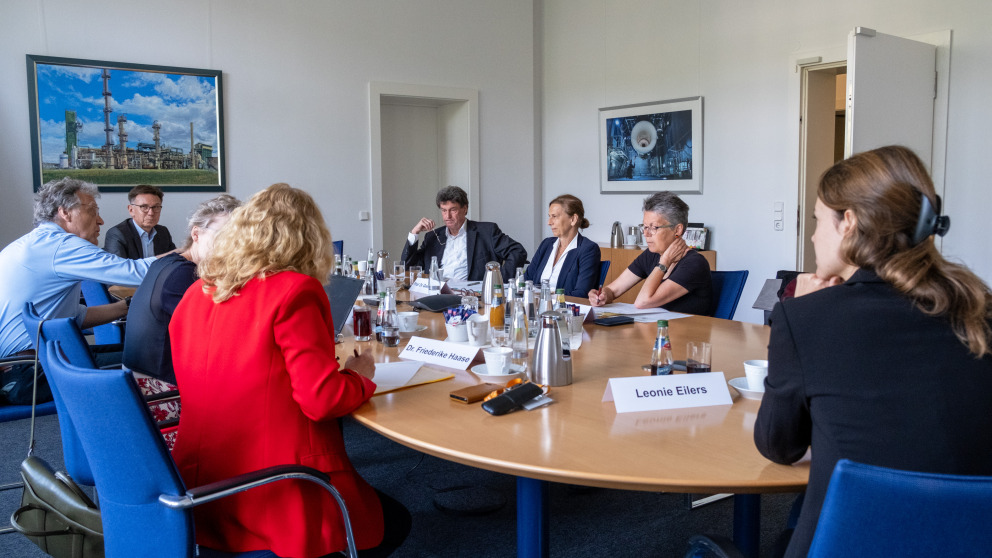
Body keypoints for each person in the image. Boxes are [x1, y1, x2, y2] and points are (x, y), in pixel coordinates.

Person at [753, 146, 992, 558]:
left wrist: (798, 312)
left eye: (817, 220)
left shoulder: (805, 319)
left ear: (849, 222)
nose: (812, 235)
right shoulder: (980, 310)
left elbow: (778, 445)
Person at [169, 183, 409, 557]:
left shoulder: (197, 293)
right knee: (394, 523)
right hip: (274, 488)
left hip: (201, 486)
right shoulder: (296, 290)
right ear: (310, 239)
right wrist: (359, 375)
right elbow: (321, 401)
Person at [0, 178, 153, 405]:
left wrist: (127, 306)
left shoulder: (32, 243)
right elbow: (137, 272)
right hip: (29, 373)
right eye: (92, 211)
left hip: (20, 367)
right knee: (159, 360)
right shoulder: (61, 245)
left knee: (141, 351)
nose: (100, 220)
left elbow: (77, 317)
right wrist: (193, 253)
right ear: (65, 213)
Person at [124, 194, 241, 386]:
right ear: (196, 234)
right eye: (223, 235)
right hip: (156, 389)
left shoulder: (168, 263)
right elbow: (218, 335)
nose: (231, 245)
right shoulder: (183, 275)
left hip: (140, 378)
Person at [588, 191, 712, 314]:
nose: (646, 234)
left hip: (688, 332)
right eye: (645, 227)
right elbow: (614, 290)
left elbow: (643, 302)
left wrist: (664, 262)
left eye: (654, 228)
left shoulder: (695, 263)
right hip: (656, 330)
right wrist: (603, 295)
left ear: (677, 229)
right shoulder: (651, 254)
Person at [401, 185, 527, 282]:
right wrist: (414, 233)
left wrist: (497, 281)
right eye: (444, 211)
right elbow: (408, 267)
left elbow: (518, 252)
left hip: (470, 296)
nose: (447, 216)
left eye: (453, 210)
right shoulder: (433, 237)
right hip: (437, 294)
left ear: (465, 209)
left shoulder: (487, 231)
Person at [524, 194, 601, 297]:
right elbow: (527, 280)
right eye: (549, 216)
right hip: (536, 307)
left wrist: (546, 296)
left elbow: (581, 294)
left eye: (554, 216)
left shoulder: (588, 249)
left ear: (573, 219)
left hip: (565, 310)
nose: (549, 222)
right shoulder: (546, 244)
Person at [103, 184, 176, 259]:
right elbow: (120, 268)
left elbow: (173, 261)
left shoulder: (163, 232)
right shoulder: (117, 234)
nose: (151, 213)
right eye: (144, 207)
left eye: (156, 207)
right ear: (131, 210)